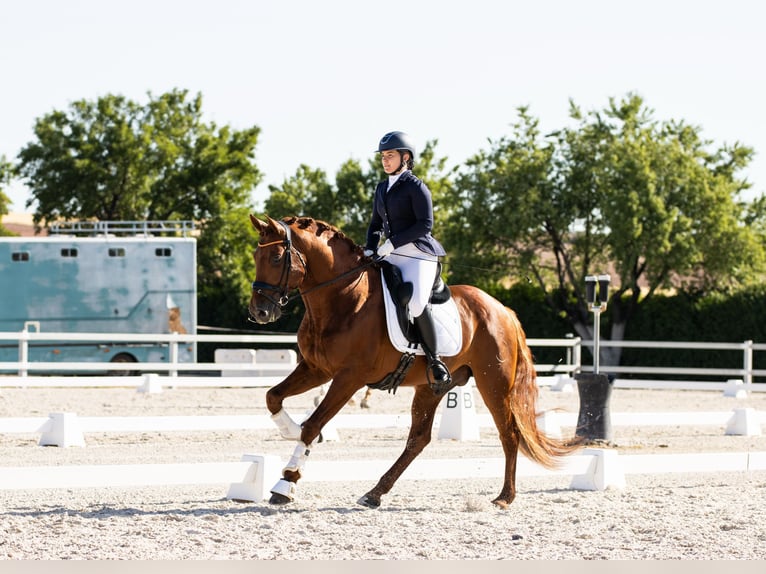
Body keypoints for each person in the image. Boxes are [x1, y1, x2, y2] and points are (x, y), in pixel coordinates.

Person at [363, 131, 451, 390]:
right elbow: (375, 224)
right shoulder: (381, 188)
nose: (385, 161)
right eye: (383, 156)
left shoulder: (416, 187)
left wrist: (391, 243)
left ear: (406, 157)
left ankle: (435, 362)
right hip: (393, 254)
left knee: (414, 303)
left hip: (419, 255)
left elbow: (425, 224)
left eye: (390, 156)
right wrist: (370, 248)